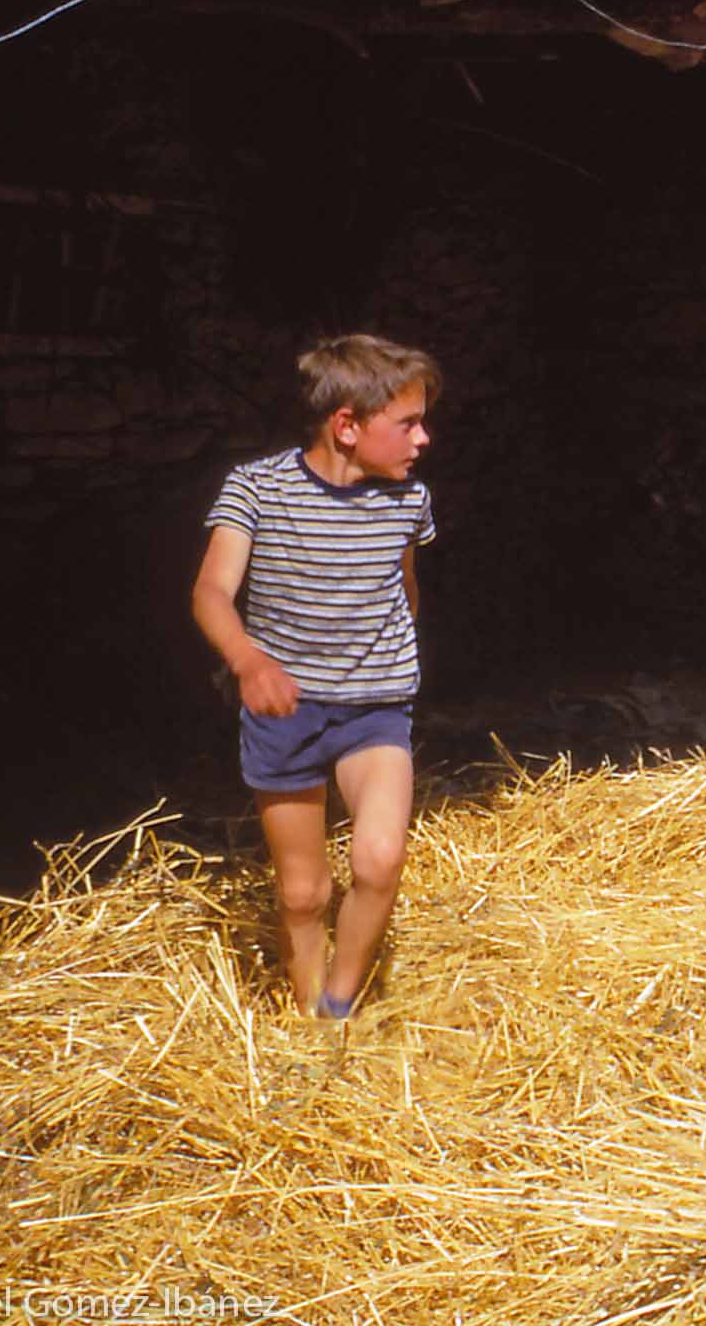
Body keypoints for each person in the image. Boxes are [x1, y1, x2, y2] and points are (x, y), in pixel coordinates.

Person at [192, 335, 440, 1019]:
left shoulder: (408, 501)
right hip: (287, 710)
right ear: (347, 425)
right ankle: (304, 1015)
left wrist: (391, 652)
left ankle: (338, 1007)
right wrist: (249, 660)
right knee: (303, 892)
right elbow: (212, 592)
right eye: (408, 423)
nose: (424, 438)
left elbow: (404, 585)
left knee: (379, 860)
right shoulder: (256, 489)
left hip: (375, 707)